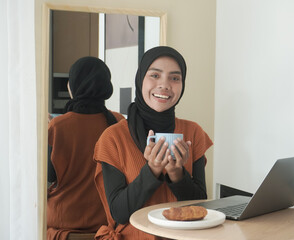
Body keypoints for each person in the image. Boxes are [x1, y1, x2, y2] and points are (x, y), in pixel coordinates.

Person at [93, 46, 213, 239]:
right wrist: (152, 170)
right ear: (141, 79)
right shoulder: (113, 138)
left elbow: (198, 208)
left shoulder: (193, 133)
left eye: (175, 78)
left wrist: (176, 174)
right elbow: (119, 213)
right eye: (155, 75)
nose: (164, 85)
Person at [47, 56, 124, 240]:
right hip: (107, 225)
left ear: (73, 85)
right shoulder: (119, 123)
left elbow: (50, 177)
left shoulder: (57, 126)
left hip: (62, 225)